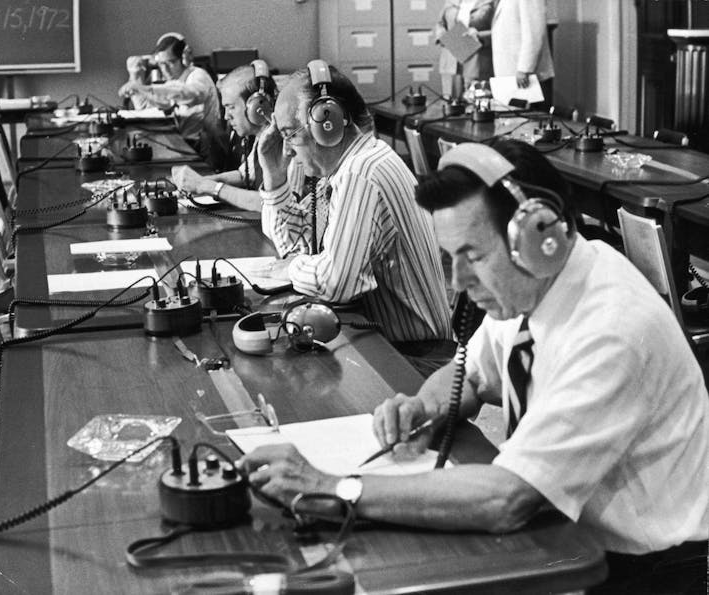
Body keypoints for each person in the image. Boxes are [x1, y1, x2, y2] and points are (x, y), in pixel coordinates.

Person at [239, 140, 709, 594]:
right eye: (451, 258)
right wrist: (424, 406)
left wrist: (330, 488)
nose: (458, 282)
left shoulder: (612, 330)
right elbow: (473, 373)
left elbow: (507, 498)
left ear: (541, 235)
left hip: (651, 570)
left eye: (473, 256)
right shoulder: (540, 283)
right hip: (571, 535)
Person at [256, 60, 452, 352]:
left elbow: (336, 282)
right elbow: (293, 242)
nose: (286, 149)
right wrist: (274, 179)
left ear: (328, 122)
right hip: (390, 345)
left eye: (289, 134)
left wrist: (291, 268)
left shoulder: (361, 173)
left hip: (414, 358)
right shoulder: (349, 167)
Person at [171, 60, 284, 212]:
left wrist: (208, 186)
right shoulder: (262, 136)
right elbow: (245, 174)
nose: (226, 117)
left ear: (257, 107)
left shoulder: (284, 144)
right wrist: (194, 182)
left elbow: (270, 204)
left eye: (231, 107)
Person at [118, 33, 228, 170]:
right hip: (188, 144)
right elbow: (145, 107)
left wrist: (146, 88)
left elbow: (189, 94)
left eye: (170, 62)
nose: (165, 69)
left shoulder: (198, 75)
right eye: (161, 64)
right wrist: (135, 76)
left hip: (206, 149)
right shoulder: (174, 82)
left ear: (184, 58)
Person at [491, 0, 554, 107]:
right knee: (511, 119)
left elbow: (535, 32)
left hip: (526, 77)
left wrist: (525, 69)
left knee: (530, 120)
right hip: (510, 74)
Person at [434, 0, 494, 98]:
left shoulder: (490, 2)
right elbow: (440, 24)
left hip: (478, 58)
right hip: (452, 58)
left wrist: (480, 35)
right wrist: (443, 37)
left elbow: (501, 29)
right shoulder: (451, 2)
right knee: (452, 104)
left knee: (476, 102)